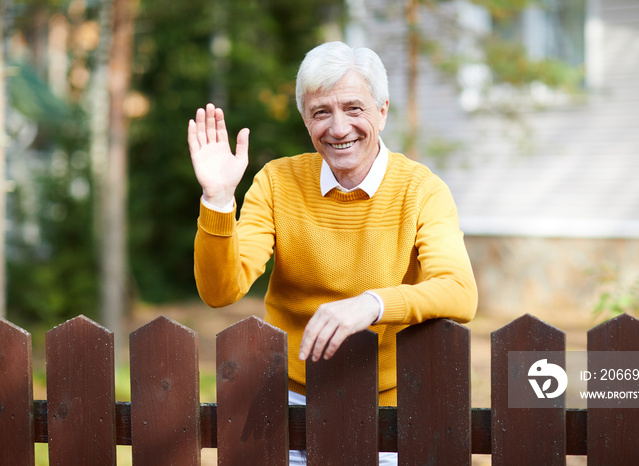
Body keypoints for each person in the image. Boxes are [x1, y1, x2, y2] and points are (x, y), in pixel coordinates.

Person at [188, 41, 478, 464]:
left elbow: (458, 291)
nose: (339, 128)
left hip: (391, 412)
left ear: (382, 110)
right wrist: (217, 200)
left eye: (354, 109)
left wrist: (372, 304)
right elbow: (220, 291)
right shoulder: (276, 182)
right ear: (306, 120)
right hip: (288, 407)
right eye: (321, 112)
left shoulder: (421, 190)